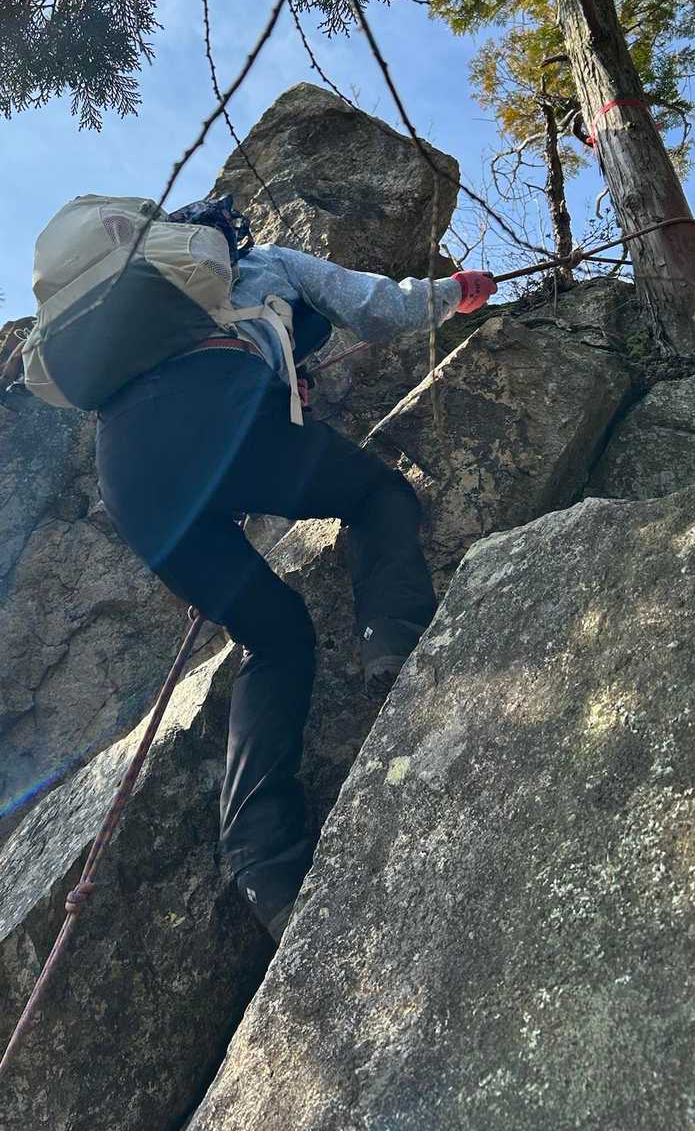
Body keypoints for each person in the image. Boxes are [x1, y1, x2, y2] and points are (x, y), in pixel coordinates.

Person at [94, 197, 496, 941]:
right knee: (377, 494)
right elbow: (378, 307)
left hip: (127, 475)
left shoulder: (140, 308)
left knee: (273, 638)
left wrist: (278, 386)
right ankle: (395, 640)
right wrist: (457, 292)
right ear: (226, 240)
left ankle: (265, 866)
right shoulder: (263, 262)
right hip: (217, 420)